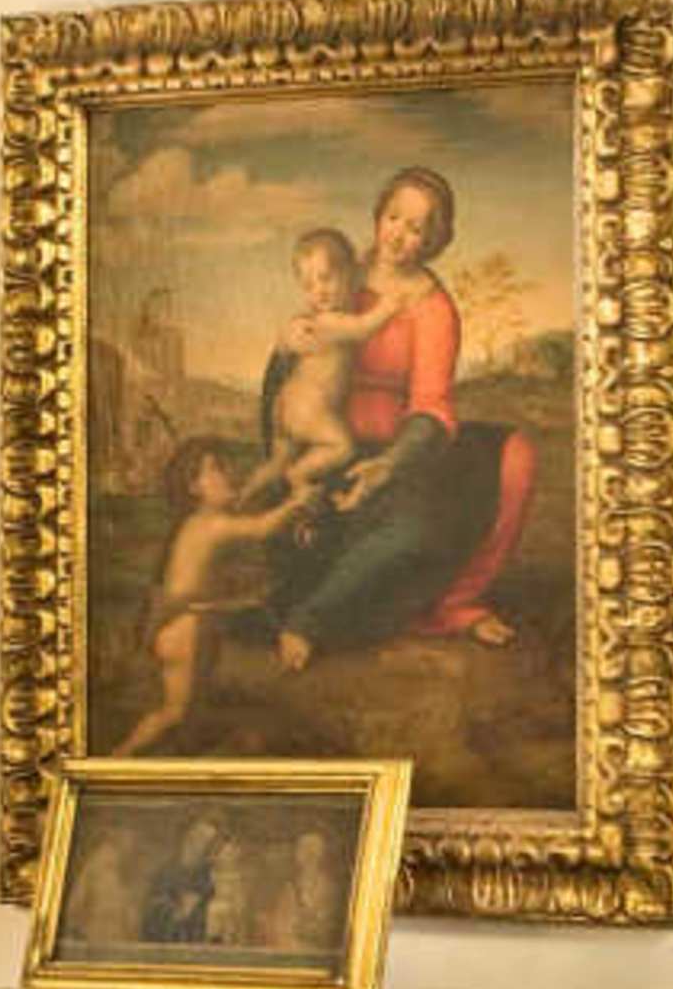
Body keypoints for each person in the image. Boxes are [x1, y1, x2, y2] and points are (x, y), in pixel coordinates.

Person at [262, 164, 540, 664]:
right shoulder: (340, 271)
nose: (400, 235)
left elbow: (431, 405)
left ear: (435, 241)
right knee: (312, 528)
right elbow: (295, 359)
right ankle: (306, 605)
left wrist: (389, 466)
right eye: (394, 217)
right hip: (324, 442)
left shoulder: (433, 309)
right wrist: (287, 345)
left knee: (488, 476)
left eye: (418, 228)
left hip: (394, 454)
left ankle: (334, 617)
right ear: (377, 216)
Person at [123, 435, 316, 747]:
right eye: (214, 469)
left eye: (224, 466)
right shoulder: (209, 525)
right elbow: (263, 527)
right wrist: (298, 501)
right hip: (184, 627)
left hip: (193, 623)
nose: (227, 474)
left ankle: (182, 765)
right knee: (172, 713)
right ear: (194, 487)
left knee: (191, 711)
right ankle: (119, 759)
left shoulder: (203, 521)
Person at [268, 225, 391, 489]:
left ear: (348, 275)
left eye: (325, 278)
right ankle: (299, 475)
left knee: (274, 465)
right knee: (342, 447)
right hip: (307, 411)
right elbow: (366, 327)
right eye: (309, 285)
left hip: (286, 405)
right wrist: (391, 305)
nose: (318, 291)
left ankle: (242, 498)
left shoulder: (314, 321)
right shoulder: (331, 320)